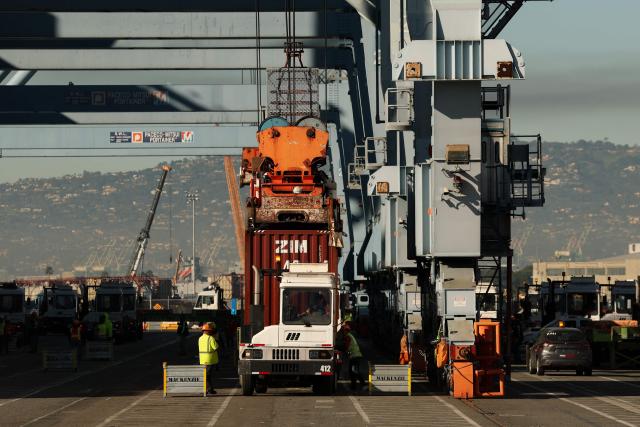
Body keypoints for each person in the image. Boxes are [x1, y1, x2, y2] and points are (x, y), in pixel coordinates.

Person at [343, 322, 365, 390]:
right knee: (353, 371)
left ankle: (361, 384)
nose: (343, 331)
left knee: (352, 371)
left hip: (355, 356)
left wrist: (343, 350)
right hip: (356, 355)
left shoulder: (348, 336)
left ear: (346, 330)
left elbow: (347, 346)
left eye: (343, 330)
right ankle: (356, 385)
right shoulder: (350, 335)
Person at [199, 323, 219, 395]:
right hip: (210, 360)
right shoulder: (210, 338)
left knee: (206, 375)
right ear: (208, 331)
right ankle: (208, 389)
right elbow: (216, 347)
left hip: (202, 360)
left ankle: (210, 389)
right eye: (210, 331)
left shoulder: (200, 338)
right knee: (207, 375)